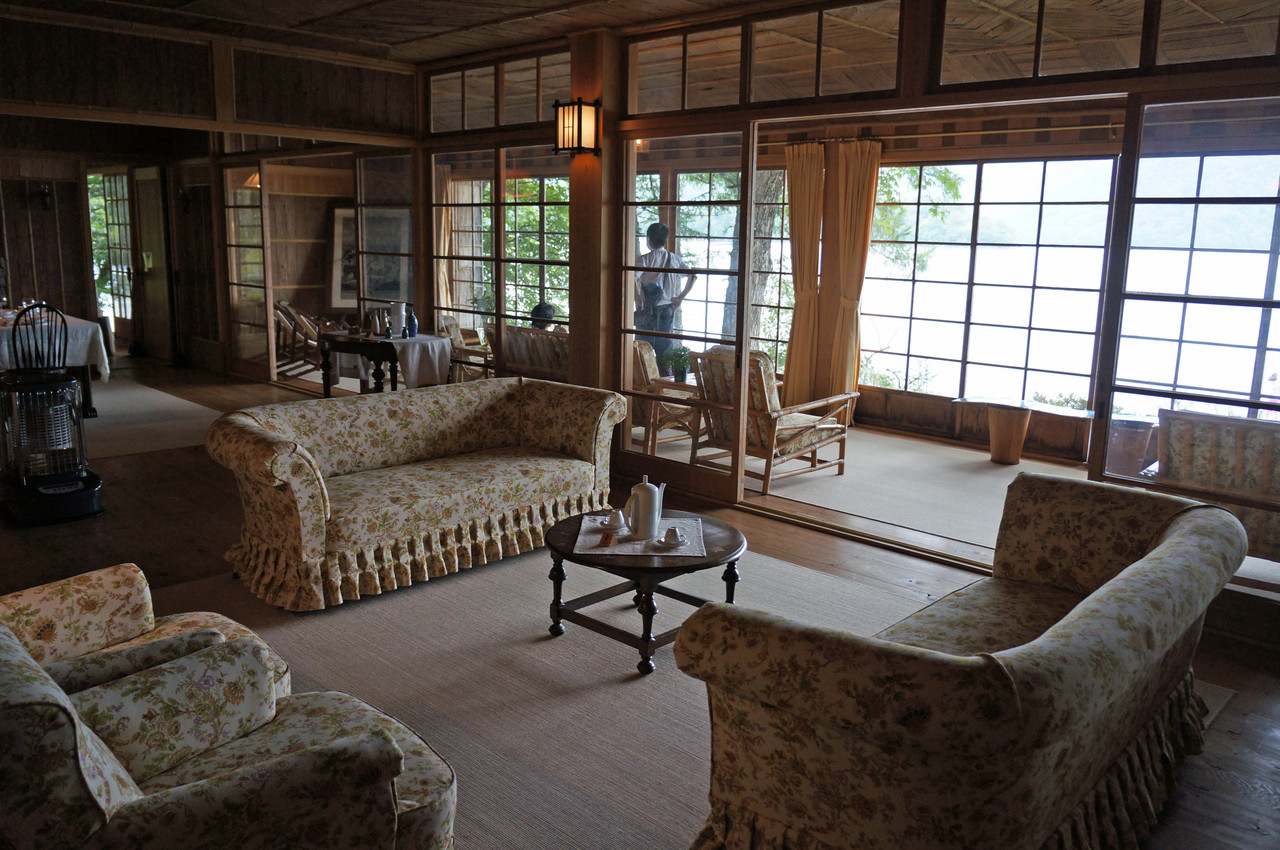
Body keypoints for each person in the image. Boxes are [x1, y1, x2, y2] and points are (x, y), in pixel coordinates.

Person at [635, 222, 695, 374]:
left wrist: (637, 300)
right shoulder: (675, 259)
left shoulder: (644, 260)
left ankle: (644, 384)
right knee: (665, 356)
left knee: (641, 354)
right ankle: (665, 384)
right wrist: (680, 297)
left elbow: (631, 278)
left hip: (646, 311)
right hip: (667, 311)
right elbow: (693, 276)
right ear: (665, 240)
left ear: (649, 239)